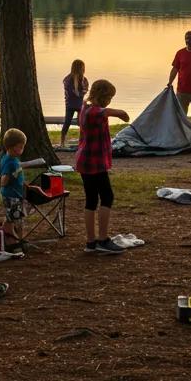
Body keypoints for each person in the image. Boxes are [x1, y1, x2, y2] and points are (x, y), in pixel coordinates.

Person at [75, 79, 129, 255]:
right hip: (94, 162)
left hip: (85, 161)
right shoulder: (95, 112)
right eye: (110, 97)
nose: (110, 101)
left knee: (91, 200)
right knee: (107, 197)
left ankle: (91, 242)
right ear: (103, 96)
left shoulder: (85, 107)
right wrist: (123, 114)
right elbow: (115, 112)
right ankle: (103, 240)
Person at [0, 127, 28, 248]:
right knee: (18, 220)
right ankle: (19, 240)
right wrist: (11, 176)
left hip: (15, 193)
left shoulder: (13, 159)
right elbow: (3, 181)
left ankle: (9, 238)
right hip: (11, 196)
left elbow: (17, 175)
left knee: (10, 217)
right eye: (20, 147)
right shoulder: (10, 161)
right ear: (11, 147)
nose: (22, 149)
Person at [60, 58, 88, 146]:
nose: (84, 69)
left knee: (79, 122)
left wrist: (79, 94)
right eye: (83, 67)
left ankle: (81, 141)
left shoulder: (82, 79)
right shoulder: (69, 79)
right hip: (73, 105)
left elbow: (84, 90)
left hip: (76, 105)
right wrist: (79, 94)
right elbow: (72, 92)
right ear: (80, 68)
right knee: (70, 122)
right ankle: (63, 142)